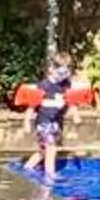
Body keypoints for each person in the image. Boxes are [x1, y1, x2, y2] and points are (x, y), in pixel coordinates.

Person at [27, 51, 77, 180]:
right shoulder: (44, 85)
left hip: (55, 122)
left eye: (67, 70)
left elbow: (70, 101)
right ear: (51, 69)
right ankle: (50, 174)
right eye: (61, 70)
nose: (64, 73)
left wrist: (75, 114)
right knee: (51, 147)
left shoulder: (65, 85)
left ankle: (28, 167)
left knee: (44, 151)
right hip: (43, 121)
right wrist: (26, 121)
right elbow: (33, 104)